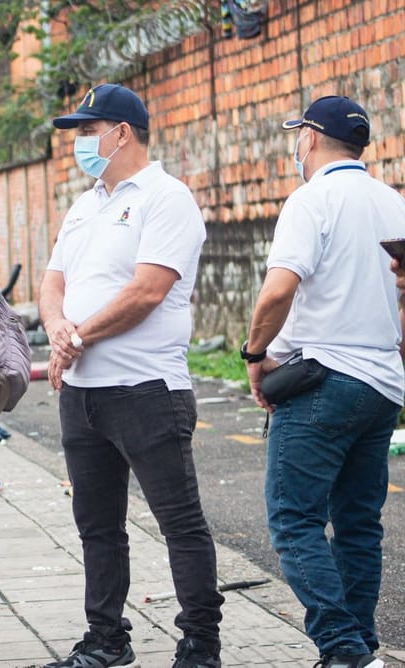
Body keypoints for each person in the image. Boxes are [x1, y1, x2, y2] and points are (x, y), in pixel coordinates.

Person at [38, 83, 223, 668]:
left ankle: (200, 644)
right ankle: (106, 639)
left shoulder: (166, 198)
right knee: (98, 527)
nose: (78, 143)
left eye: (87, 132)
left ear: (122, 132)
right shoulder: (85, 202)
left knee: (180, 524)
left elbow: (146, 291)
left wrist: (78, 335)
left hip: (146, 390)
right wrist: (55, 329)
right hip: (83, 395)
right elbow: (53, 282)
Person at [244, 95, 405, 668]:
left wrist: (255, 352)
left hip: (323, 381)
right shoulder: (395, 204)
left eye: (297, 136)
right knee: (359, 525)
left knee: (294, 519)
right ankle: (360, 648)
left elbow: (280, 289)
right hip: (384, 384)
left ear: (309, 139)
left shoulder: (311, 201)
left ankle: (343, 649)